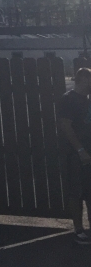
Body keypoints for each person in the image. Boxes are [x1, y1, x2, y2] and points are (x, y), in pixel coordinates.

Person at [58, 67, 91, 244]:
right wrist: (80, 150)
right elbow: (66, 127)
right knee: (76, 193)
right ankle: (78, 229)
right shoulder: (68, 100)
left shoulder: (87, 100)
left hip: (89, 152)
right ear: (84, 79)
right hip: (76, 155)